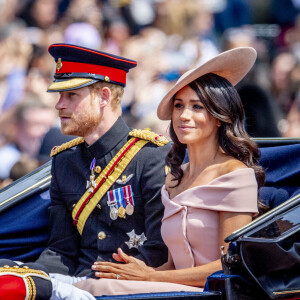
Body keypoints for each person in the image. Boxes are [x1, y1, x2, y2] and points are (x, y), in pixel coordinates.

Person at [73, 47, 266, 296]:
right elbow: (175, 265)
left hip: (215, 292)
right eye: (179, 105)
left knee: (94, 288)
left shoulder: (235, 174)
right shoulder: (174, 179)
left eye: (197, 107)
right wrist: (136, 272)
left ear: (220, 116)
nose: (184, 115)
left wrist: (151, 276)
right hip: (178, 290)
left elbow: (230, 265)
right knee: (87, 285)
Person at [32, 44, 170, 298]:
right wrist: (35, 279)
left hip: (131, 289)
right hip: (77, 285)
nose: (59, 105)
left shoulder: (151, 157)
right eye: (60, 96)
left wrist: (96, 284)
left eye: (71, 96)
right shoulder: (65, 160)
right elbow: (61, 249)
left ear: (104, 97)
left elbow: (158, 250)